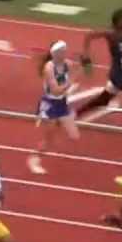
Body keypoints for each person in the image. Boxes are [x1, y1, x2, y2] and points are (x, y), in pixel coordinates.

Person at [75, 8, 122, 118]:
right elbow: (89, 35)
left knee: (103, 100)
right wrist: (86, 53)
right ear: (119, 21)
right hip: (119, 78)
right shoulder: (111, 34)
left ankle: (77, 113)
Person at [29, 40, 80, 175]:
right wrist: (71, 82)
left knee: (74, 135)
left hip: (62, 103)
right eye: (61, 51)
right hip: (50, 104)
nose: (64, 53)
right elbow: (56, 91)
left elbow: (77, 67)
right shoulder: (49, 68)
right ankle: (34, 158)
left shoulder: (66, 63)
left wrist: (83, 63)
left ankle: (59, 123)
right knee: (48, 139)